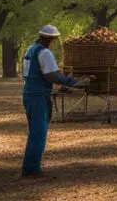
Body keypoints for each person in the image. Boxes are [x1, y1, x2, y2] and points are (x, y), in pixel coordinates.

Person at [21, 25, 87, 177]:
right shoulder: (45, 53)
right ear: (51, 39)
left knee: (34, 132)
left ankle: (29, 165)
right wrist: (71, 82)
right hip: (38, 95)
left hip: (28, 94)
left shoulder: (30, 50)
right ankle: (31, 168)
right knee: (39, 133)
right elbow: (52, 75)